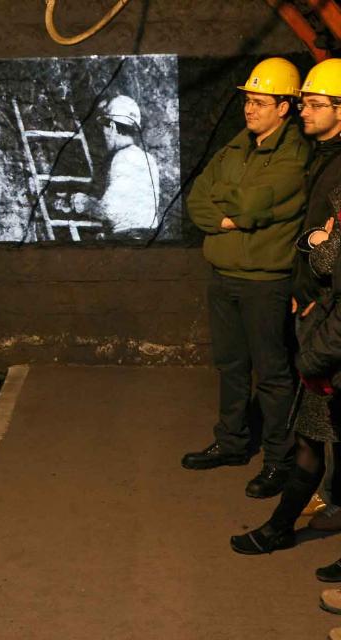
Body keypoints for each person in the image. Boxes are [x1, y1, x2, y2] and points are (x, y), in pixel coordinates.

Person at [181, 57, 310, 498]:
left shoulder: (294, 157)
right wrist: (228, 218)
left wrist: (235, 209)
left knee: (272, 374)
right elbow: (198, 197)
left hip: (264, 283)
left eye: (259, 102)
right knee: (231, 366)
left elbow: (252, 206)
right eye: (248, 101)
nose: (249, 110)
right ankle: (233, 442)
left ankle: (278, 460)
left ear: (284, 108)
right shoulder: (236, 146)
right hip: (223, 275)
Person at [230, 58, 341, 557]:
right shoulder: (323, 157)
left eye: (315, 104)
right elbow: (315, 238)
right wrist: (307, 273)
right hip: (321, 310)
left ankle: (279, 529)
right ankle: (294, 522)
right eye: (304, 103)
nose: (304, 112)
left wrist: (318, 257)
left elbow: (330, 251)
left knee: (313, 434)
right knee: (317, 433)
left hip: (332, 323)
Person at [72, 95, 160, 236]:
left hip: (128, 239)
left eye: (105, 127)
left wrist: (85, 203)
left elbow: (110, 211)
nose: (103, 133)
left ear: (112, 126)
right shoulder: (148, 159)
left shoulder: (123, 158)